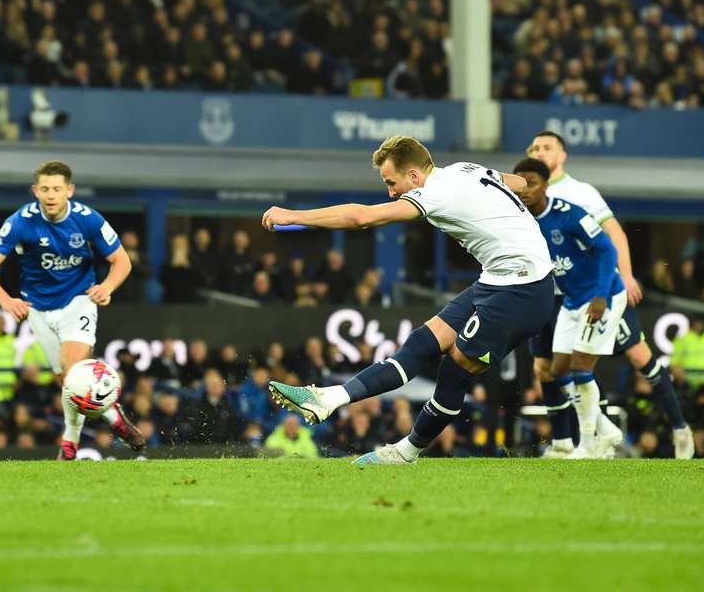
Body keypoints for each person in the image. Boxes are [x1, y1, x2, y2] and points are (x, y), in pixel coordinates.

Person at [262, 136, 554, 465]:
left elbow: (362, 218)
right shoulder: (464, 169)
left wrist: (294, 216)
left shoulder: (435, 193)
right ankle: (327, 399)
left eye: (392, 182)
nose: (390, 192)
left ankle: (407, 452)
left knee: (455, 368)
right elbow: (516, 181)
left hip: (524, 289)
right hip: (497, 279)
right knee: (421, 343)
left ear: (414, 176)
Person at [527, 131, 693, 459]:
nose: (539, 151)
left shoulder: (579, 192)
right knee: (546, 368)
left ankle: (679, 428)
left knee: (638, 358)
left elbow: (612, 233)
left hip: (597, 289)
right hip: (555, 293)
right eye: (534, 148)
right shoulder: (526, 195)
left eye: (547, 147)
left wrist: (627, 275)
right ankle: (566, 440)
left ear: (562, 156)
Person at [0, 160, 143, 460]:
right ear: (35, 191)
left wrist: (107, 287)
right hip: (38, 308)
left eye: (57, 189)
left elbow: (122, 261)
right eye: (45, 189)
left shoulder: (87, 219)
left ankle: (69, 443)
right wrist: (5, 300)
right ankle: (114, 417)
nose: (51, 195)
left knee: (74, 370)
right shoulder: (21, 222)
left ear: (70, 191)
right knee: (67, 380)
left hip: (79, 300)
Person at [514, 158, 627, 458]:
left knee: (580, 367)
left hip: (603, 297)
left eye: (532, 184)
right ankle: (605, 428)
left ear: (545, 186)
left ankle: (588, 445)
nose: (525, 191)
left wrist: (601, 296)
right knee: (557, 369)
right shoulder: (519, 220)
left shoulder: (569, 214)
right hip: (572, 299)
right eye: (520, 184)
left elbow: (607, 249)